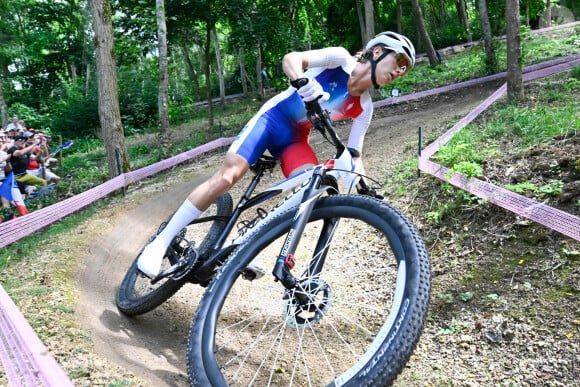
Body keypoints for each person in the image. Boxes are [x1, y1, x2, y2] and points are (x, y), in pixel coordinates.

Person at [137, 31, 416, 278]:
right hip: (271, 121)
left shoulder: (365, 107)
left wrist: (362, 184)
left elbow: (354, 154)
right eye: (399, 62)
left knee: (310, 192)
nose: (400, 71)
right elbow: (291, 59)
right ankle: (160, 242)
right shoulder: (340, 59)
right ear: (377, 52)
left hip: (294, 141)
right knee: (228, 177)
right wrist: (302, 81)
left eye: (405, 69)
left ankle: (247, 245)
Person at [7, 132, 47, 196]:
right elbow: (18, 153)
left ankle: (43, 198)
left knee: (43, 182)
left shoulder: (25, 150)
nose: (23, 142)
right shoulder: (12, 149)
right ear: (15, 141)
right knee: (23, 192)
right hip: (14, 177)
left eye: (24, 140)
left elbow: (36, 158)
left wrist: (41, 150)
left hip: (24, 175)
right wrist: (34, 144)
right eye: (20, 140)